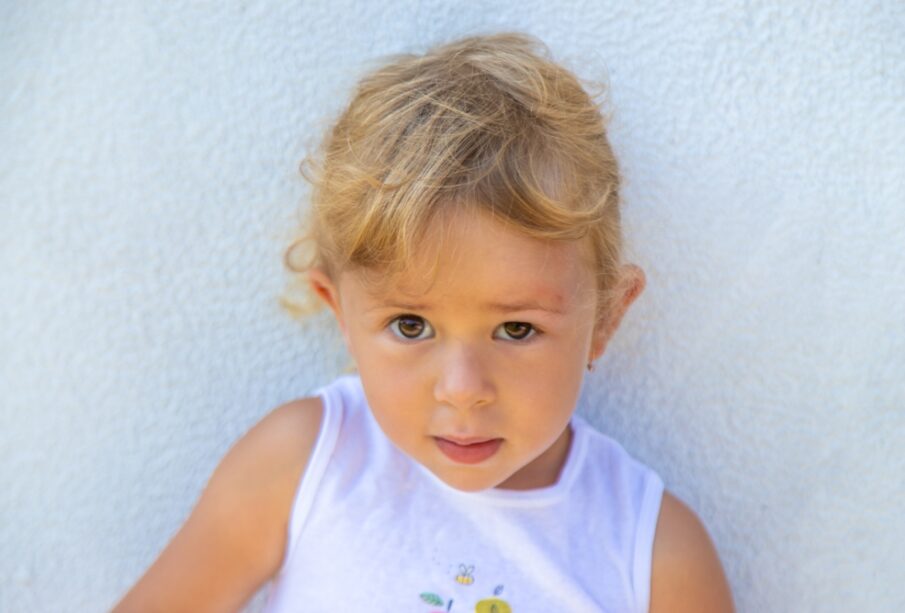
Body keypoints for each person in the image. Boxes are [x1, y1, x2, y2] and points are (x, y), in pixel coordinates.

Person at [114, 33, 733, 612]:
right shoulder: (300, 466)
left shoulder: (656, 556)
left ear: (606, 318)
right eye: (411, 326)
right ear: (340, 312)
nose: (462, 389)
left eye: (516, 330)